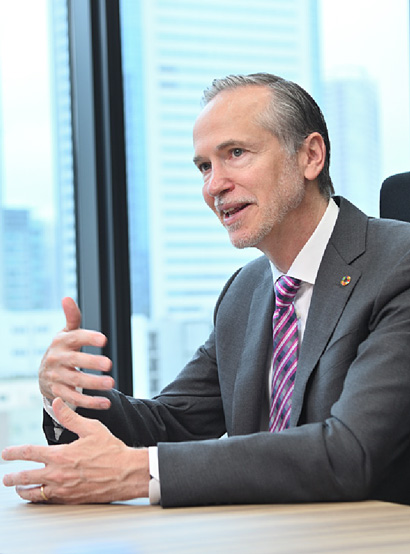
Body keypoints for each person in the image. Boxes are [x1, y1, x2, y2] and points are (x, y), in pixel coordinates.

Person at [3, 73, 410, 508]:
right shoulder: (245, 291)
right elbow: (171, 425)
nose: (214, 185)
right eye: (204, 167)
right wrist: (68, 393)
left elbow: (348, 454)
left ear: (310, 156)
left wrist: (138, 473)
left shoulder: (397, 266)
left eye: (236, 153)